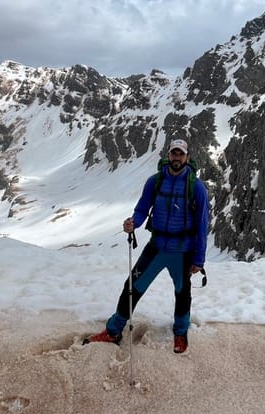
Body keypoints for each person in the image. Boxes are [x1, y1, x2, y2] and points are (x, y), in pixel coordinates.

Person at [87, 138, 209, 354]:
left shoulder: (196, 187)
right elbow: (143, 208)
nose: (177, 158)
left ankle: (180, 332)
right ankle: (114, 330)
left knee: (182, 293)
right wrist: (133, 222)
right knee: (132, 287)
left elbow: (202, 225)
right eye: (174, 153)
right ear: (168, 155)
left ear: (187, 157)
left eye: (181, 154)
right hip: (157, 246)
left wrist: (198, 259)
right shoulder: (155, 181)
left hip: (182, 251)